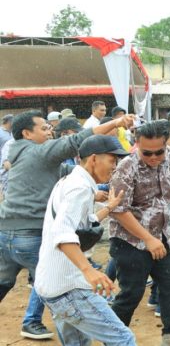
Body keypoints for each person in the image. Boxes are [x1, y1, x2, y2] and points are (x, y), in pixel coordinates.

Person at [0, 111, 133, 340]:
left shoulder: (38, 163)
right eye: (44, 128)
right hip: (31, 235)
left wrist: (105, 205)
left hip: (7, 231)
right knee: (123, 338)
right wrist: (117, 122)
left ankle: (37, 315)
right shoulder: (41, 153)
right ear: (27, 133)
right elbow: (76, 142)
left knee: (11, 281)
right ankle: (31, 319)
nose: (49, 131)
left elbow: (75, 181)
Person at [34, 135, 135, 345]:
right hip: (68, 289)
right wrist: (89, 270)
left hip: (51, 286)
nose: (114, 167)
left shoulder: (70, 181)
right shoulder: (79, 188)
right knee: (123, 340)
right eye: (112, 160)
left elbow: (82, 224)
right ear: (94, 159)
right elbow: (62, 233)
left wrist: (109, 207)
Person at [109, 120, 170, 346]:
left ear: (165, 144)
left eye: (158, 151)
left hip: (163, 236)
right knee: (130, 295)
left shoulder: (169, 154)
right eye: (146, 152)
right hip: (130, 242)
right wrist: (148, 239)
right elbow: (119, 211)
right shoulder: (126, 168)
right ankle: (113, 340)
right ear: (137, 144)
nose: (153, 157)